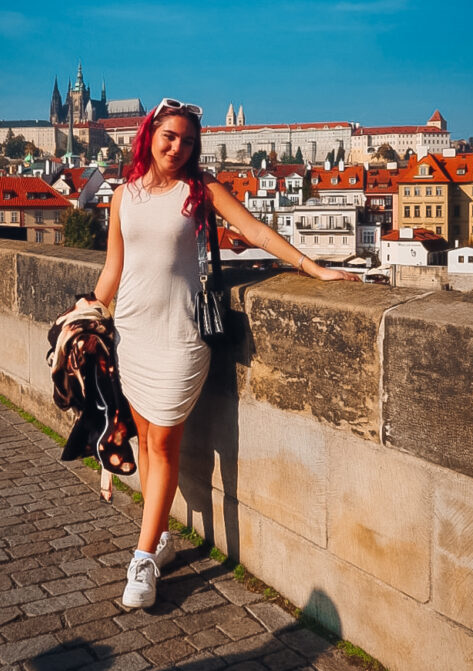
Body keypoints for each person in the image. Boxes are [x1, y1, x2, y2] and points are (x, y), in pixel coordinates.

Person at [93, 98, 359, 609]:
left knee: (164, 443)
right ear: (149, 134)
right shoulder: (123, 195)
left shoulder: (201, 189)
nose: (178, 147)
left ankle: (143, 559)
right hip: (132, 331)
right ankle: (162, 539)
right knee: (146, 440)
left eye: (188, 141)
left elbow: (254, 231)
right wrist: (90, 308)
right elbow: (114, 267)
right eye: (170, 136)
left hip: (180, 336)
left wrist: (313, 268)